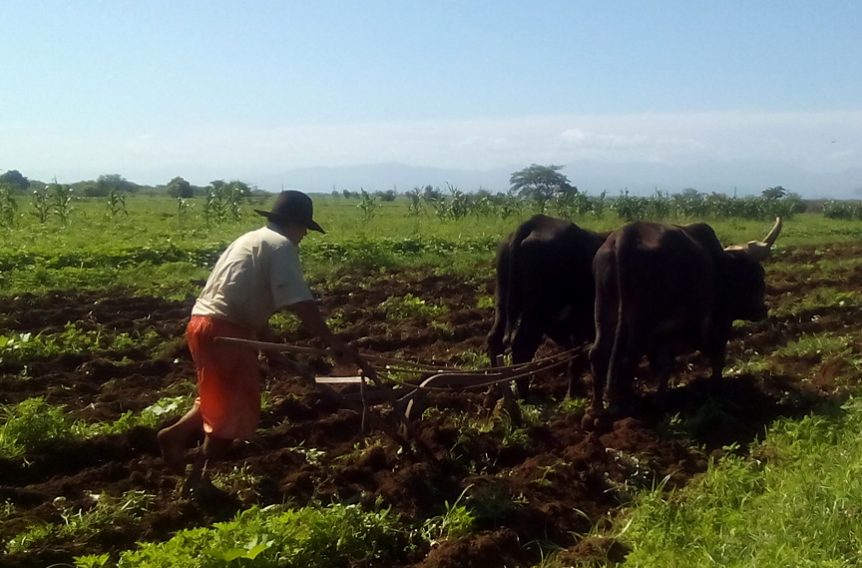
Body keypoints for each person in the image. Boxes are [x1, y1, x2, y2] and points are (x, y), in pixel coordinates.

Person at [157, 190, 366, 494]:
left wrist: (269, 342)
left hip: (203, 323)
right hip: (225, 332)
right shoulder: (280, 247)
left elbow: (243, 293)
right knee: (233, 408)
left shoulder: (251, 239)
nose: (304, 235)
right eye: (305, 228)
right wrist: (332, 341)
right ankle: (199, 480)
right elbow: (301, 303)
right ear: (295, 223)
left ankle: (176, 436)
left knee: (218, 398)